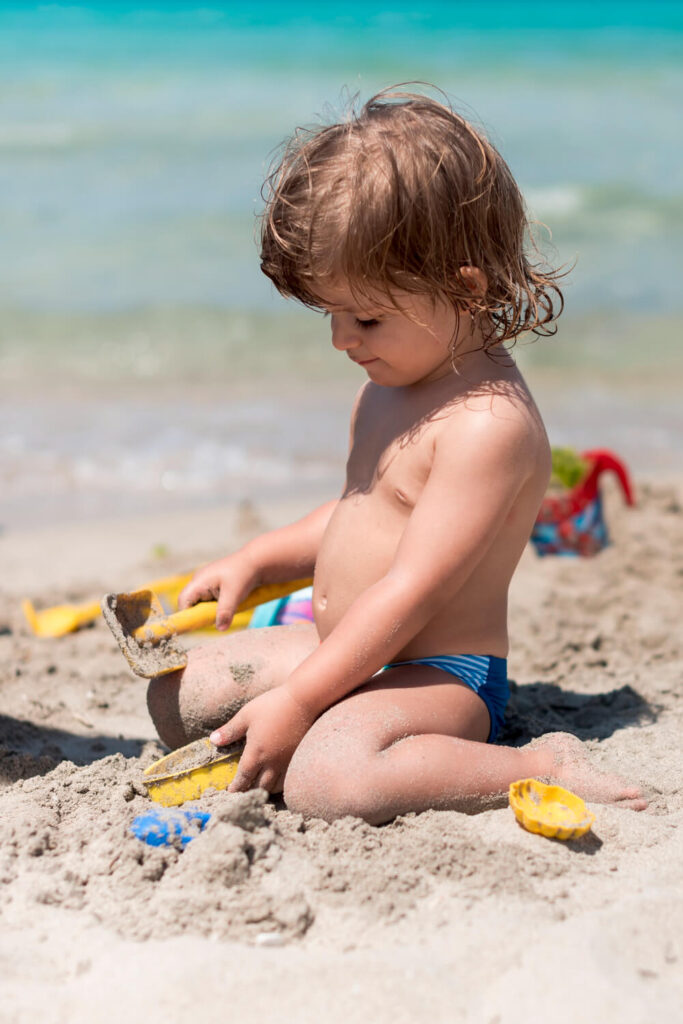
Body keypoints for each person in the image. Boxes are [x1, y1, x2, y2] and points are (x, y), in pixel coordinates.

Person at [147, 89, 646, 823]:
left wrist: (301, 697)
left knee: (329, 781)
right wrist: (263, 557)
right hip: (342, 646)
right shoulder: (390, 383)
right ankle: (319, 716)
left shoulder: (486, 429)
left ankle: (539, 759)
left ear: (463, 287)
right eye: (331, 314)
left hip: (433, 671)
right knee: (176, 697)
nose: (342, 339)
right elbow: (361, 513)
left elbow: (413, 588)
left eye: (367, 316)